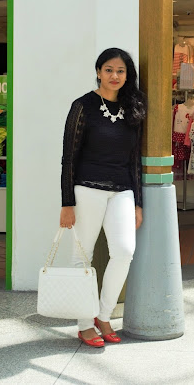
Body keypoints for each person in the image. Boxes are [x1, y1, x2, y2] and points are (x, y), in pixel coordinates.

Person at [60, 47, 147, 348]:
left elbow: (135, 159)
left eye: (120, 71)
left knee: (124, 251)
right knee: (81, 258)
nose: (114, 75)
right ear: (98, 71)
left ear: (127, 75)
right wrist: (67, 202)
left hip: (121, 190)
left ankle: (104, 315)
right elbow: (68, 158)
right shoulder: (83, 106)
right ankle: (85, 324)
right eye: (108, 69)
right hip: (86, 189)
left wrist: (138, 202)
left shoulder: (133, 107)